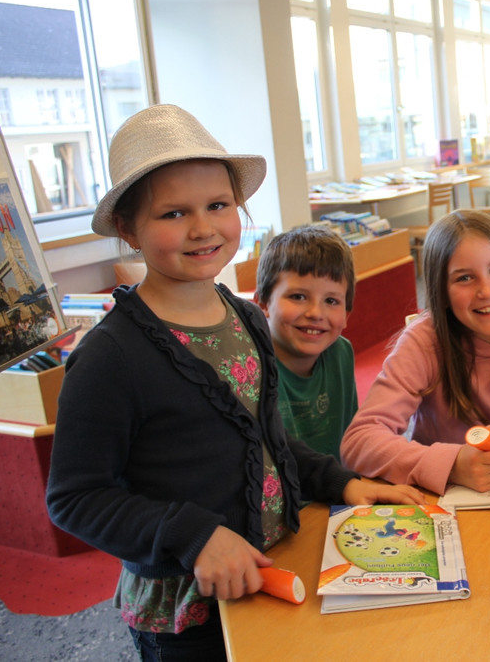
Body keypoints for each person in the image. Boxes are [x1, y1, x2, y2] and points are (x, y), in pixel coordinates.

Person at [45, 104, 422, 661]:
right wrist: (192, 536)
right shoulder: (110, 357)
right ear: (127, 228)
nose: (202, 228)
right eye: (174, 213)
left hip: (274, 563)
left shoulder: (245, 318)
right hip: (189, 610)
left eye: (218, 206)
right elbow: (75, 498)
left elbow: (267, 438)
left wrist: (338, 481)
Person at [341, 210, 490, 495]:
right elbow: (359, 442)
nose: (486, 291)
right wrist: (452, 465)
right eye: (464, 278)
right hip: (441, 493)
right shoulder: (423, 341)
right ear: (442, 291)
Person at [256, 225, 357, 460]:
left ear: (346, 315)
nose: (315, 313)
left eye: (331, 301)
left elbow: (351, 439)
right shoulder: (253, 365)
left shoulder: (341, 353)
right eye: (298, 297)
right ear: (263, 304)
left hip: (336, 480)